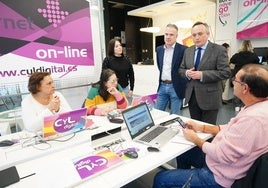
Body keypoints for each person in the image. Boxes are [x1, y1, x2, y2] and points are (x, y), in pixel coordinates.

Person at [153, 64, 268, 188]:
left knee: (160, 178)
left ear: (245, 88)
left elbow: (222, 155)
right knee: (183, 153)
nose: (233, 82)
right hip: (225, 163)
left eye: (235, 80)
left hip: (220, 175)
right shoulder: (259, 107)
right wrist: (202, 128)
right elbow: (231, 127)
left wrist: (195, 139)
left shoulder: (252, 120)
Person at [179, 21, 231, 124]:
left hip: (210, 98)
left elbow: (226, 72)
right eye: (194, 35)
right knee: (195, 127)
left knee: (208, 131)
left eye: (200, 34)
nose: (196, 37)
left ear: (208, 34)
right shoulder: (188, 51)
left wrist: (202, 75)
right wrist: (187, 73)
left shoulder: (219, 50)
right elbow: (181, 69)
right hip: (192, 97)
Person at [155, 23, 187, 115]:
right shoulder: (159, 49)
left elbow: (184, 68)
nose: (168, 37)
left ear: (176, 36)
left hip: (176, 87)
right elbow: (159, 66)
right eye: (166, 34)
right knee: (157, 113)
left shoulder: (183, 49)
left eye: (171, 35)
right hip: (162, 86)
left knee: (175, 116)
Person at [230, 40, 259, 111]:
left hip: (237, 77)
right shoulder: (254, 56)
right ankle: (245, 108)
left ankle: (237, 108)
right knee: (247, 92)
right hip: (249, 77)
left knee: (237, 92)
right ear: (250, 46)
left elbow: (231, 60)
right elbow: (258, 64)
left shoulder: (237, 55)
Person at [102, 38, 135, 104]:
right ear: (112, 48)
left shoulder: (127, 59)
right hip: (112, 89)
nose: (120, 47)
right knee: (114, 109)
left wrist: (131, 88)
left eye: (120, 45)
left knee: (126, 107)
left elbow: (131, 75)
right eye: (116, 46)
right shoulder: (107, 60)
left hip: (125, 88)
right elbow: (104, 76)